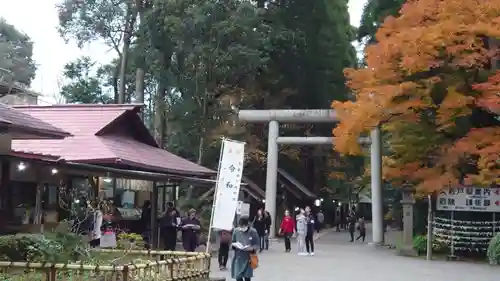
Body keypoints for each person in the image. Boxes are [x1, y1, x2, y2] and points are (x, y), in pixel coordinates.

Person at [231, 216, 259, 281]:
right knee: (238, 276)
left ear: (247, 225)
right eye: (240, 226)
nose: (241, 228)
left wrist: (251, 248)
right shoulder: (236, 231)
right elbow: (233, 242)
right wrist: (235, 246)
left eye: (243, 226)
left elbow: (257, 244)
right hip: (238, 257)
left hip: (248, 258)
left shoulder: (253, 232)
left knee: (247, 277)